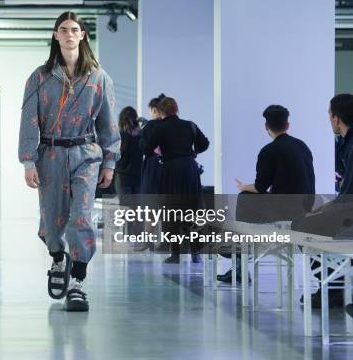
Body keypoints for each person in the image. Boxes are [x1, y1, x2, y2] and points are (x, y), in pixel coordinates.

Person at [18, 11, 120, 312]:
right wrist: (28, 161)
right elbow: (28, 120)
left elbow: (108, 122)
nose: (69, 34)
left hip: (86, 154)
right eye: (63, 29)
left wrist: (110, 161)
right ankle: (58, 258)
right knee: (52, 220)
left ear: (83, 35)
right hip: (48, 154)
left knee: (81, 217)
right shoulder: (40, 77)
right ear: (55, 35)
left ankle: (77, 281)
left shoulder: (99, 77)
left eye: (75, 29)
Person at [221, 105, 315, 283]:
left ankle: (240, 255)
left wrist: (243, 186)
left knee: (245, 197)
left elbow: (261, 187)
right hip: (305, 206)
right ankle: (240, 251)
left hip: (284, 210)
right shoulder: (302, 146)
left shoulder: (268, 151)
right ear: (287, 126)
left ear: (266, 127)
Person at [143, 97, 209, 264]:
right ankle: (196, 252)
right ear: (176, 109)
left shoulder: (159, 128)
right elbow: (205, 143)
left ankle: (175, 253)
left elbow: (147, 149)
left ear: (161, 111)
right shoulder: (190, 125)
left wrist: (158, 152)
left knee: (170, 211)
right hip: (189, 169)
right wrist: (193, 152)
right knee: (193, 210)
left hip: (169, 169)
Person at [327, 94, 353, 318]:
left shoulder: (350, 146)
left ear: (336, 119)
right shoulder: (345, 144)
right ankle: (334, 284)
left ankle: (334, 285)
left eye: (329, 114)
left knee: (303, 225)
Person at [139, 94, 166, 194]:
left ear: (154, 110)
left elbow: (145, 148)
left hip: (153, 167)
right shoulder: (173, 124)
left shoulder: (150, 125)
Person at [114, 106, 142, 195]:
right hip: (138, 179)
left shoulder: (120, 135)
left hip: (123, 177)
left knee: (125, 208)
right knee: (136, 208)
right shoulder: (140, 136)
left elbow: (118, 156)